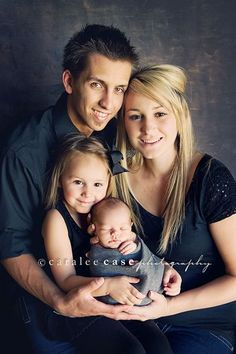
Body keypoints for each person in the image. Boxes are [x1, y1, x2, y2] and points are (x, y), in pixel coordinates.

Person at [0, 24, 138, 353]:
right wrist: (62, 302)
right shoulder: (24, 150)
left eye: (119, 89)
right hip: (41, 296)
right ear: (69, 82)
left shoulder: (114, 133)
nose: (109, 102)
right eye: (97, 85)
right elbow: (10, 245)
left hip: (105, 278)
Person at [114, 64, 236, 354]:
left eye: (160, 113)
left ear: (179, 116)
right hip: (135, 321)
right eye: (135, 116)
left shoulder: (210, 177)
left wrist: (168, 306)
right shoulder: (115, 178)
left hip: (202, 325)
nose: (148, 128)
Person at [41, 134, 174, 354]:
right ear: (59, 179)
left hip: (115, 299)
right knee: (129, 349)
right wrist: (109, 285)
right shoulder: (56, 219)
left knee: (159, 346)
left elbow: (134, 253)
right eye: (77, 182)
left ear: (108, 183)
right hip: (77, 307)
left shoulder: (110, 212)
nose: (88, 193)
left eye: (97, 184)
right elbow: (65, 281)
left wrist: (164, 268)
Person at [89, 197, 181, 305]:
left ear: (130, 226)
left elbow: (147, 256)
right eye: (106, 229)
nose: (115, 234)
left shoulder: (132, 240)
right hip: (119, 300)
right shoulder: (96, 248)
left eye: (122, 228)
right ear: (94, 229)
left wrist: (135, 247)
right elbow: (98, 269)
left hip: (155, 292)